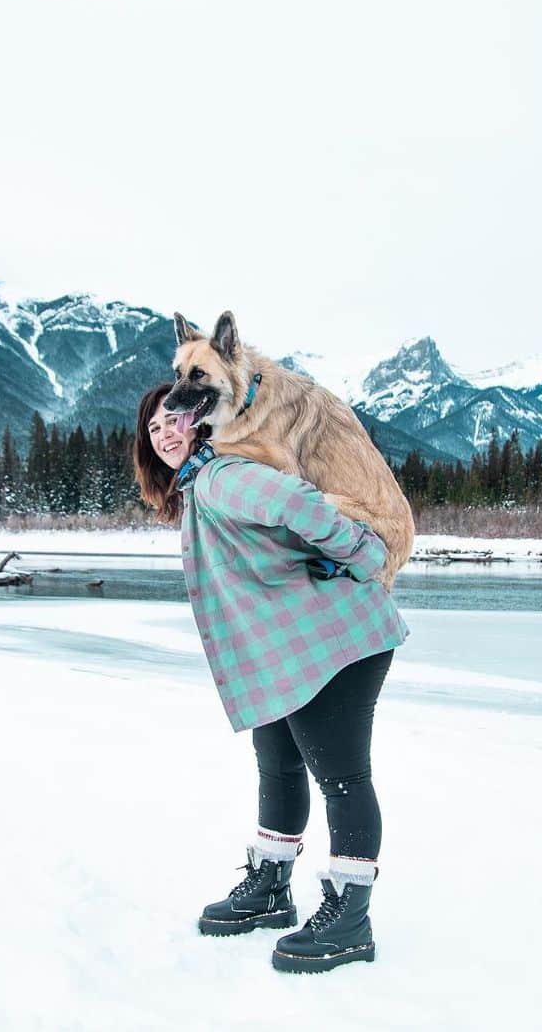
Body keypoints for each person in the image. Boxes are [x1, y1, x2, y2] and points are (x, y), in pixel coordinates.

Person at [134, 382, 410, 974]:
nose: (165, 434)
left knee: (341, 777)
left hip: (336, 643)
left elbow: (297, 501)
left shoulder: (223, 476)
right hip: (291, 652)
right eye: (154, 429)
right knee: (279, 764)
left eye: (174, 419)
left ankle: (351, 918)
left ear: (202, 420)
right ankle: (270, 886)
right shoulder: (203, 487)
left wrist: (365, 555)